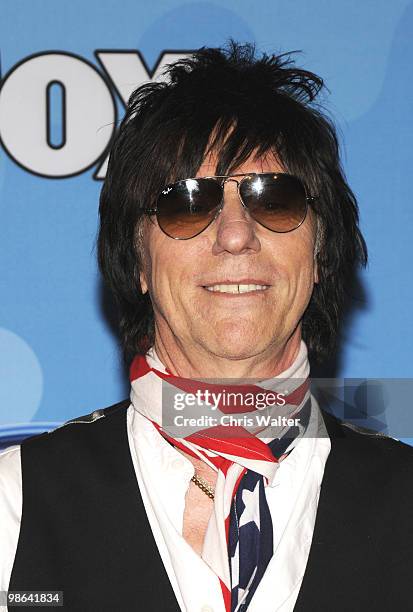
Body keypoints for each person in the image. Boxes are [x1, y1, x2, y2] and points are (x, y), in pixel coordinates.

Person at [0, 42, 412, 612]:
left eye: (275, 197)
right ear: (138, 260)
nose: (236, 235)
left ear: (319, 255)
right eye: (188, 204)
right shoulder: (15, 501)